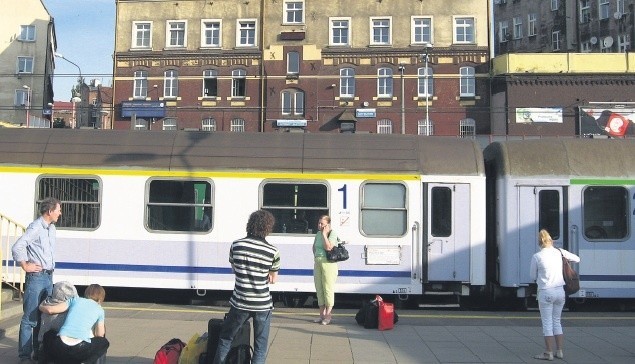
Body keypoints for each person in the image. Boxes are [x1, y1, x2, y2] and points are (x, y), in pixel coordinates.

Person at [213, 210, 281, 364]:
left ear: (250, 224)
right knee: (260, 347)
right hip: (263, 304)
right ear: (268, 227)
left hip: (240, 302)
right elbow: (272, 279)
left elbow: (234, 269)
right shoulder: (273, 251)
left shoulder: (236, 245)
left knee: (226, 338)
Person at [12, 197, 62, 362]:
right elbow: (18, 246)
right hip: (36, 278)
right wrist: (25, 265)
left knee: (42, 317)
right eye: (58, 210)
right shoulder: (36, 228)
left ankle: (37, 352)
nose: (60, 213)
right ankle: (24, 356)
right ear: (49, 211)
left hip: (48, 276)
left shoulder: (51, 228)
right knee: (30, 318)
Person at [530, 229, 580, 361]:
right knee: (557, 322)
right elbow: (577, 258)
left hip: (546, 292)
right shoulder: (560, 252)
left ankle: (548, 353)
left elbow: (532, 275)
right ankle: (560, 351)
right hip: (560, 292)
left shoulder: (537, 256)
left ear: (539, 242)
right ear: (551, 241)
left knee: (547, 324)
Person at [39, 284, 109, 364]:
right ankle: (87, 362)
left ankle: (49, 361)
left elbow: (50, 310)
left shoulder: (75, 300)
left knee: (48, 335)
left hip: (60, 345)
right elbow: (99, 334)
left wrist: (40, 306)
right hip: (80, 349)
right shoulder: (100, 310)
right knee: (104, 343)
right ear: (101, 299)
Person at [37, 281, 78, 364]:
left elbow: (47, 309)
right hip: (63, 346)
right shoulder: (72, 307)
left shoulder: (46, 304)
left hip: (44, 346)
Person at [312, 215, 339, 325]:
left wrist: (324, 234)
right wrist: (316, 256)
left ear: (328, 224)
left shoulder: (332, 234)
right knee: (319, 288)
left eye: (322, 224)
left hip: (329, 263)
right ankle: (321, 315)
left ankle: (328, 315)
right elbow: (314, 247)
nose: (319, 225)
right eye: (319, 223)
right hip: (318, 262)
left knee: (328, 288)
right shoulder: (318, 234)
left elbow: (328, 247)